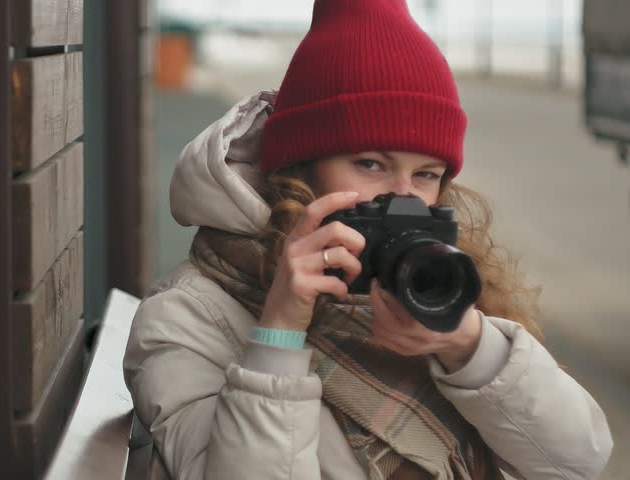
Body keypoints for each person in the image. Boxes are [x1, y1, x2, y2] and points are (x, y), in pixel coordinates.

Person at [123, 1, 613, 479]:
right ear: (299, 168)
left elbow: (578, 462)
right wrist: (278, 332)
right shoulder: (186, 319)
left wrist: (468, 346)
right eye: (371, 164)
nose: (403, 198)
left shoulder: (439, 284)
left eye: (425, 174)